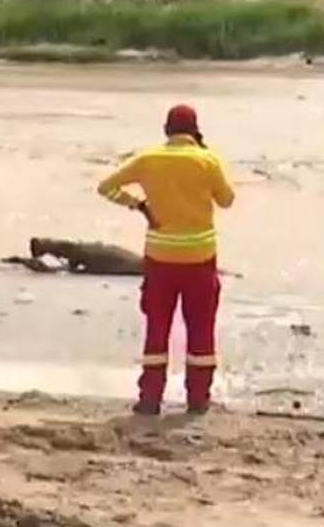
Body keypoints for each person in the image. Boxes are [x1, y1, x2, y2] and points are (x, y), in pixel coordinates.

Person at [97, 104, 235, 415]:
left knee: (157, 328)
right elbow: (227, 200)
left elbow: (106, 187)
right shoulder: (207, 160)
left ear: (166, 130)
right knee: (201, 329)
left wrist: (138, 205)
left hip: (160, 258)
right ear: (195, 131)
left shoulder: (149, 159)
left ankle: (150, 398)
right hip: (200, 258)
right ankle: (198, 398)